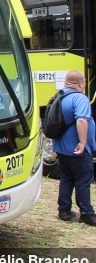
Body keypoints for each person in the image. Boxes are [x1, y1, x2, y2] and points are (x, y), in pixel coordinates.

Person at [54, 70, 96, 226]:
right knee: (83, 180)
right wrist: (83, 142)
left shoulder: (60, 96)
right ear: (81, 84)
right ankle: (86, 213)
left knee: (67, 178)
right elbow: (82, 121)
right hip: (77, 148)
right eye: (85, 82)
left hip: (62, 148)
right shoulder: (80, 98)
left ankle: (64, 210)